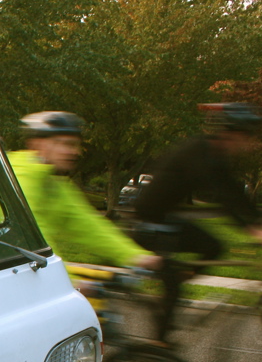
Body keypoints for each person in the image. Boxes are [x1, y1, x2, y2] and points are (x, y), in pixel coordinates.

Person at [133, 102, 262, 339]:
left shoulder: (215, 156)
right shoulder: (199, 153)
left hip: (166, 219)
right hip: (148, 224)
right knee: (173, 284)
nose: (250, 144)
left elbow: (235, 193)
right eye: (247, 137)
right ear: (233, 134)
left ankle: (174, 284)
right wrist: (258, 232)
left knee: (213, 246)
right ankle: (159, 347)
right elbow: (222, 197)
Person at [9, 111, 160, 272]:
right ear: (37, 144)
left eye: (75, 145)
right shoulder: (19, 177)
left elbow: (87, 225)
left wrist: (137, 257)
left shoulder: (54, 184)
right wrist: (69, 281)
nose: (74, 152)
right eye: (65, 144)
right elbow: (33, 241)